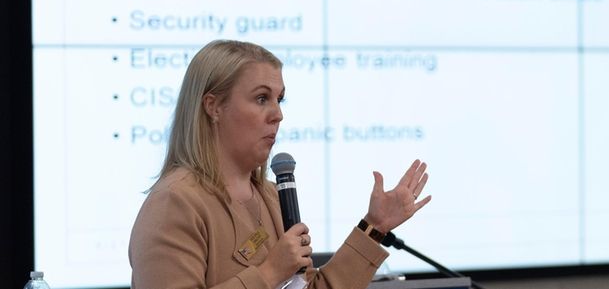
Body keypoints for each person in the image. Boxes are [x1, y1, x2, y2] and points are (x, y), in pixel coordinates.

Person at [129, 40, 432, 289]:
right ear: (214, 107)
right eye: (261, 98)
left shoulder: (271, 196)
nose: (277, 114)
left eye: (279, 99)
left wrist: (375, 227)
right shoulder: (176, 202)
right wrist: (267, 273)